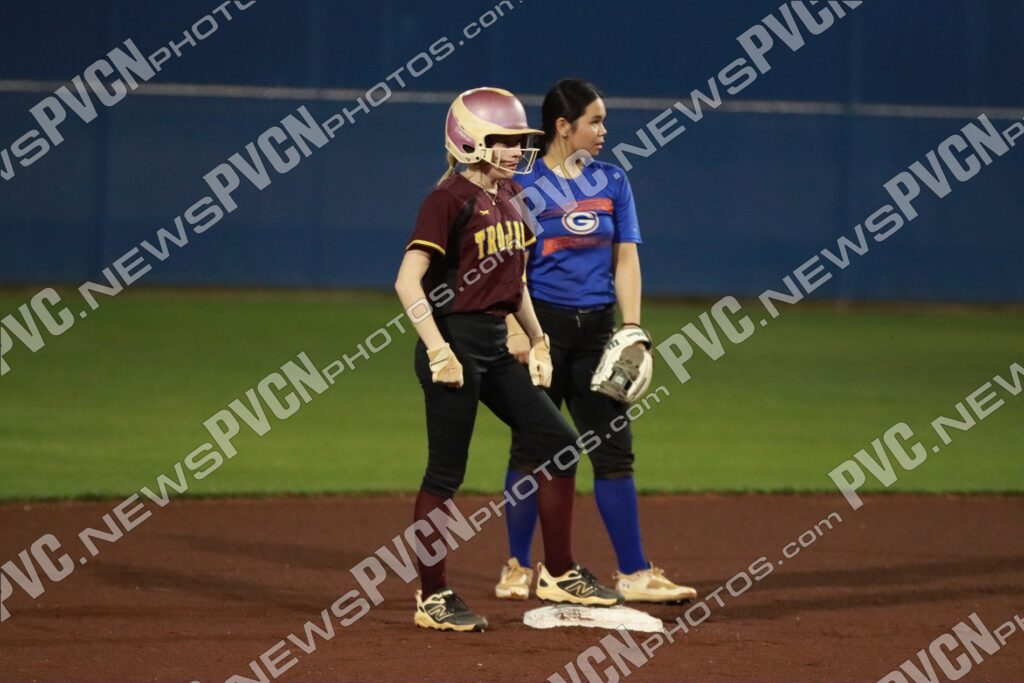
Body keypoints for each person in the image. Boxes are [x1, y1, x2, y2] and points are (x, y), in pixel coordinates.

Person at [394, 87, 623, 633]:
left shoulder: (514, 194)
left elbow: (514, 281)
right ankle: (432, 596)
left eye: (519, 140)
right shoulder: (447, 199)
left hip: (494, 347)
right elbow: (407, 282)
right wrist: (438, 349)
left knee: (561, 445)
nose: (515, 150)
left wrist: (537, 339)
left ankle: (559, 572)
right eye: (502, 140)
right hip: (453, 342)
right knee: (445, 473)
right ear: (468, 140)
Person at [494, 79, 698, 604]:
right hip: (543, 330)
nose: (604, 130)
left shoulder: (612, 180)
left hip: (598, 334)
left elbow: (626, 256)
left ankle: (634, 571)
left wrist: (632, 327)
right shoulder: (522, 185)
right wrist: (519, 331)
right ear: (564, 126)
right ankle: (517, 565)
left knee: (614, 451)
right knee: (532, 449)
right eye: (595, 121)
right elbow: (511, 265)